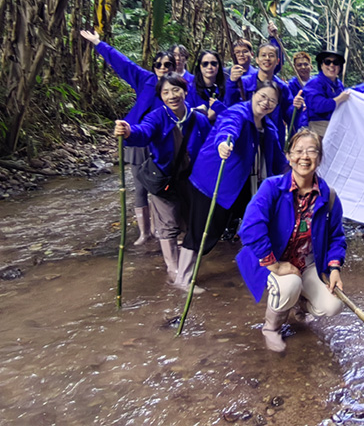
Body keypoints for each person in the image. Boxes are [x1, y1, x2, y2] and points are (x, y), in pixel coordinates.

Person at [236, 128, 346, 352]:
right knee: (290, 285)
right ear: (288, 156)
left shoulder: (329, 196)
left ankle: (300, 307)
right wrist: (275, 264)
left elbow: (336, 236)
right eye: (298, 151)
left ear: (320, 158)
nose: (305, 157)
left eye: (312, 151)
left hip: (306, 264)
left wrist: (334, 268)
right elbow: (250, 227)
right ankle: (271, 327)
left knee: (334, 305)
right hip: (273, 260)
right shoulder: (272, 187)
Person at [181, 80, 288, 291]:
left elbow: (279, 161)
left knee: (260, 222)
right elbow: (228, 127)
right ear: (253, 94)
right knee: (202, 231)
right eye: (263, 96)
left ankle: (261, 269)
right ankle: (182, 278)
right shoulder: (238, 112)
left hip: (247, 186)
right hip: (215, 183)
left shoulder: (269, 127)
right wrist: (224, 142)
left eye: (272, 101)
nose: (266, 103)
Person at [80, 29, 175, 245]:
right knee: (140, 185)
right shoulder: (145, 80)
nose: (162, 68)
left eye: (167, 65)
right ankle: (145, 232)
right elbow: (123, 64)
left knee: (161, 185)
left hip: (162, 142)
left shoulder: (177, 87)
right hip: (136, 137)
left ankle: (165, 230)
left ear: (173, 67)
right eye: (158, 64)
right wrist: (98, 43)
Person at [113, 73, 211, 282]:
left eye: (176, 90)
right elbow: (144, 132)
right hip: (163, 180)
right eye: (165, 92)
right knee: (167, 224)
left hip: (191, 181)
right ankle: (173, 271)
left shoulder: (199, 119)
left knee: (189, 222)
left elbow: (210, 146)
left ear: (185, 91)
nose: (171, 95)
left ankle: (185, 270)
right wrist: (129, 132)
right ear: (161, 97)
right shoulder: (157, 117)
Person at [226, 42, 303, 144]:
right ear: (257, 60)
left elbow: (288, 115)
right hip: (247, 136)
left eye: (271, 56)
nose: (267, 58)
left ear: (277, 61)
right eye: (263, 55)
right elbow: (229, 106)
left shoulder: (281, 87)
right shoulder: (244, 83)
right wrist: (231, 83)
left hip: (272, 138)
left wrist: (296, 107)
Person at [303, 50, 350, 137]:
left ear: (340, 67)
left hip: (336, 126)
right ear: (321, 65)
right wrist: (339, 99)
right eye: (327, 62)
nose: (331, 65)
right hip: (319, 126)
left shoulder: (339, 84)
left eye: (335, 63)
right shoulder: (314, 82)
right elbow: (318, 106)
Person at [187, 50, 228, 124]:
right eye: (205, 64)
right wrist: (205, 116)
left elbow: (232, 114)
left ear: (219, 66)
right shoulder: (190, 89)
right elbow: (186, 116)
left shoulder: (227, 87)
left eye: (213, 63)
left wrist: (218, 108)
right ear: (200, 66)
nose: (209, 67)